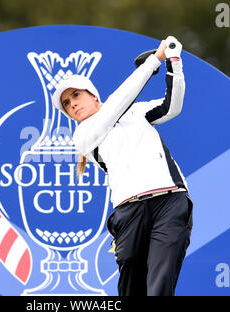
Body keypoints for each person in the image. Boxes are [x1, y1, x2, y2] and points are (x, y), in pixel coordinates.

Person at [52, 36, 193, 296]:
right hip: (129, 213)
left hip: (169, 202)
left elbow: (172, 107)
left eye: (75, 95)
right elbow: (115, 105)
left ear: (93, 95)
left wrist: (173, 61)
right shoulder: (83, 136)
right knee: (131, 290)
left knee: (159, 285)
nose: (73, 105)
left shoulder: (136, 112)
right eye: (67, 105)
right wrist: (153, 61)